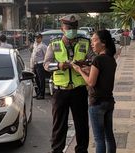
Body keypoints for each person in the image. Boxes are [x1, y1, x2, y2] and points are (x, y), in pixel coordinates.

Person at [44, 14, 94, 153]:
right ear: (62, 29)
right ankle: (57, 150)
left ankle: (82, 150)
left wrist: (85, 64)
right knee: (59, 124)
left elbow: (94, 61)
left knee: (82, 124)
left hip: (79, 90)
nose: (72, 30)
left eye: (74, 27)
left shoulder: (85, 42)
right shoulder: (54, 44)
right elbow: (46, 65)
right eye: (69, 27)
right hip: (60, 91)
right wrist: (59, 65)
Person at [72, 29, 117, 153]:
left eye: (95, 40)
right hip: (109, 102)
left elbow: (91, 82)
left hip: (97, 103)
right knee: (109, 136)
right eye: (91, 40)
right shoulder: (111, 59)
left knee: (99, 139)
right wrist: (89, 69)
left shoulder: (98, 59)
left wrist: (79, 70)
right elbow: (102, 76)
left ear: (103, 43)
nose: (92, 43)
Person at [30, 33, 47, 100]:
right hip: (35, 64)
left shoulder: (43, 46)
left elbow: (46, 55)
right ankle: (38, 93)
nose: (36, 39)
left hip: (40, 64)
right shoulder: (35, 45)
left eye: (38, 38)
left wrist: (45, 64)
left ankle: (42, 94)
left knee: (41, 80)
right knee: (36, 80)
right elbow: (32, 55)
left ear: (41, 38)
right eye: (36, 38)